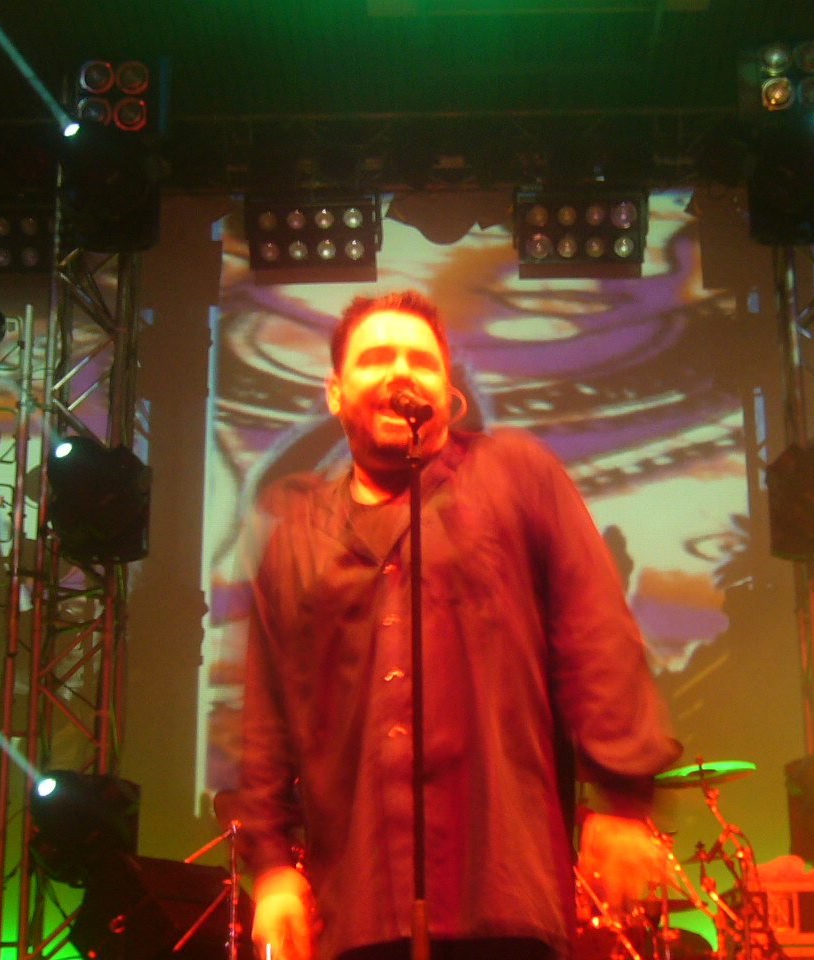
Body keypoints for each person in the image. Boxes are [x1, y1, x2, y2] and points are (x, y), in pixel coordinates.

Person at [237, 290, 680, 960]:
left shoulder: (514, 473)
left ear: (449, 393)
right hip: (358, 903)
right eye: (375, 358)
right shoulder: (297, 535)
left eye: (421, 360)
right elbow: (269, 711)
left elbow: (595, 633)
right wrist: (271, 865)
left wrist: (621, 797)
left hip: (502, 893)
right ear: (334, 393)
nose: (401, 371)